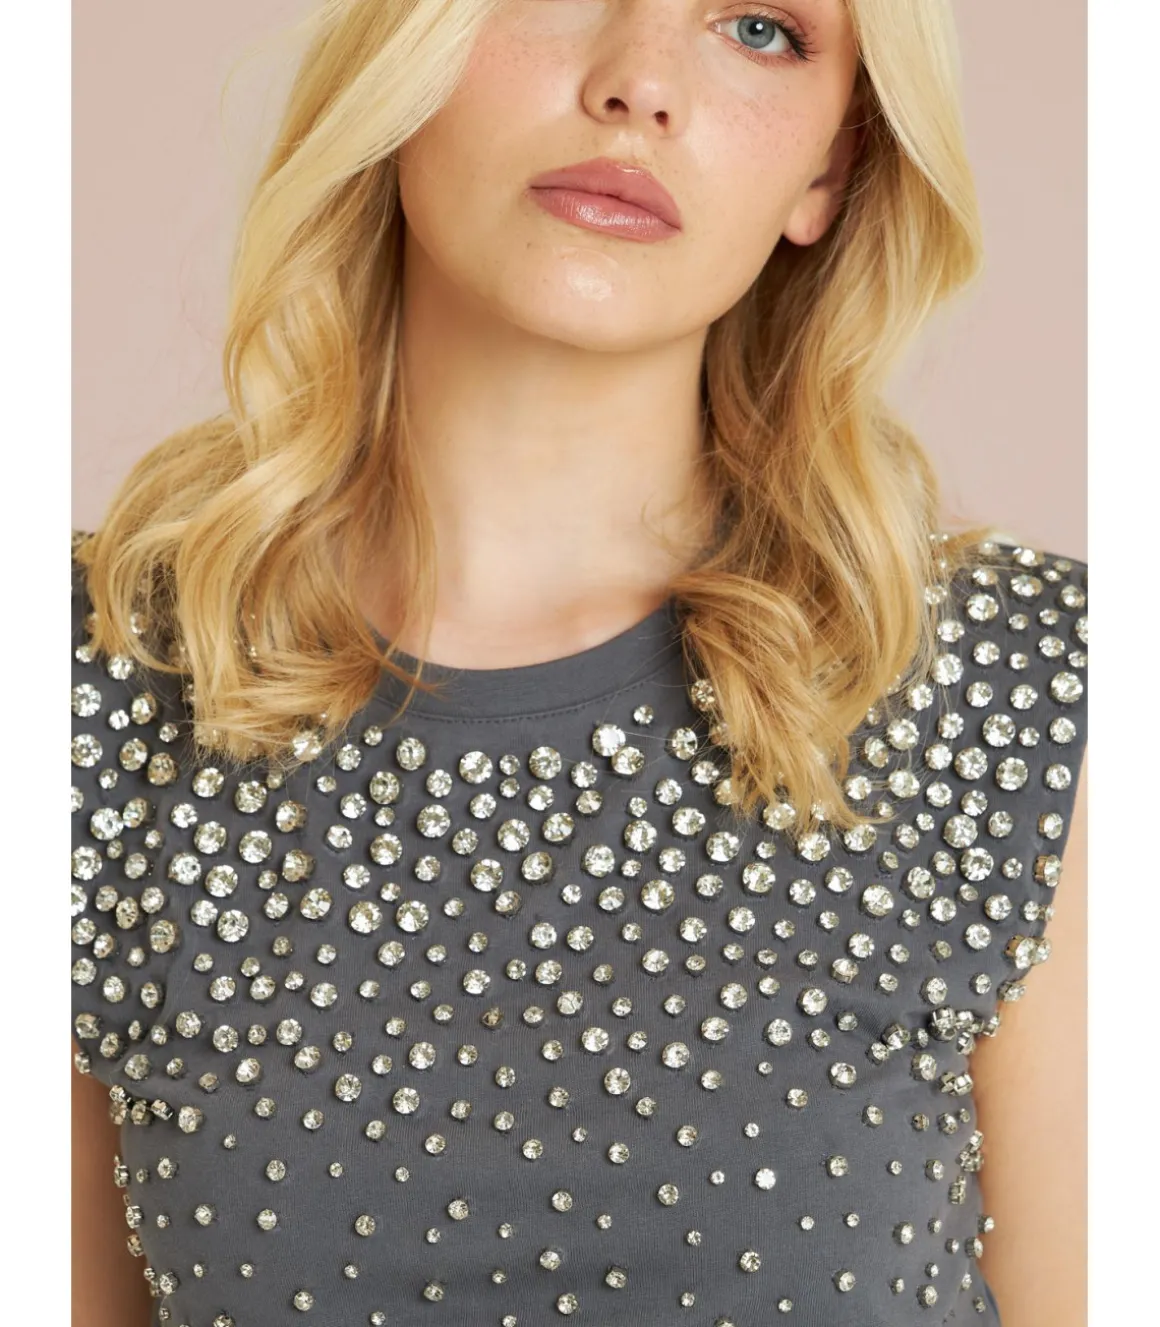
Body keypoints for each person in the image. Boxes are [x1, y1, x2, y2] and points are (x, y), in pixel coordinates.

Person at [70, 2, 1088, 1325]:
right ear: (407, 54)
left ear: (830, 171)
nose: (639, 85)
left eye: (760, 27)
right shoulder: (89, 681)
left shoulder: (1018, 688)